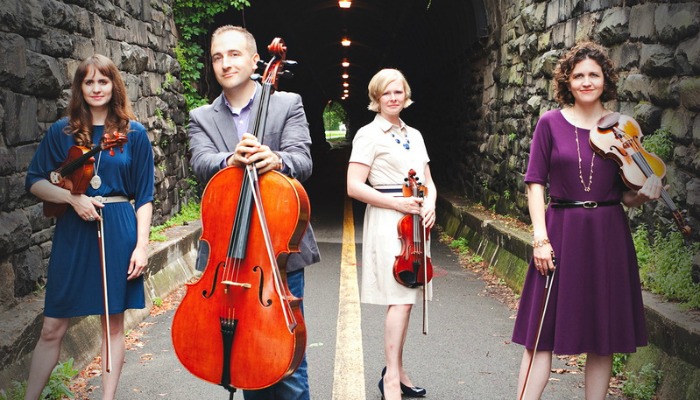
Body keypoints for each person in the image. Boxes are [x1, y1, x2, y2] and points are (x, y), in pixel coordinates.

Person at [512, 41, 664, 400]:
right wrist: (540, 238)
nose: (585, 81)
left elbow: (626, 194)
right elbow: (535, 182)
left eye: (593, 75)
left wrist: (643, 195)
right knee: (540, 336)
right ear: (567, 80)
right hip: (561, 232)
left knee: (602, 339)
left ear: (605, 79)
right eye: (578, 75)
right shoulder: (549, 123)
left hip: (607, 235)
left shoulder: (623, 130)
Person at [187, 25, 320, 400]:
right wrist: (231, 159)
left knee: (286, 362)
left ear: (255, 59)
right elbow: (201, 162)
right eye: (217, 57)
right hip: (228, 254)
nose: (226, 63)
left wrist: (275, 159)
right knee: (244, 362)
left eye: (233, 54)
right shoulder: (202, 117)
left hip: (276, 256)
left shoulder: (286, 103)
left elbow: (303, 160)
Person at [24, 54, 154, 400]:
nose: (96, 88)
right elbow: (34, 181)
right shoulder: (62, 131)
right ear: (80, 87)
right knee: (52, 326)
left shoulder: (133, 134)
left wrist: (141, 246)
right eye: (89, 82)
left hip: (118, 232)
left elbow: (144, 196)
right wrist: (73, 200)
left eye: (103, 81)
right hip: (74, 233)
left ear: (114, 85)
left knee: (112, 325)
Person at [347, 68, 437, 400]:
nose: (393, 97)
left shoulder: (415, 134)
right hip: (389, 223)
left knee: (408, 300)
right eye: (387, 93)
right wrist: (398, 202)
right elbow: (354, 187)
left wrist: (431, 205)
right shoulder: (368, 135)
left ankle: (396, 372)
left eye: (398, 92)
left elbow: (428, 179)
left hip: (415, 223)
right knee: (399, 300)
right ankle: (390, 383)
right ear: (376, 97)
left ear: (406, 95)